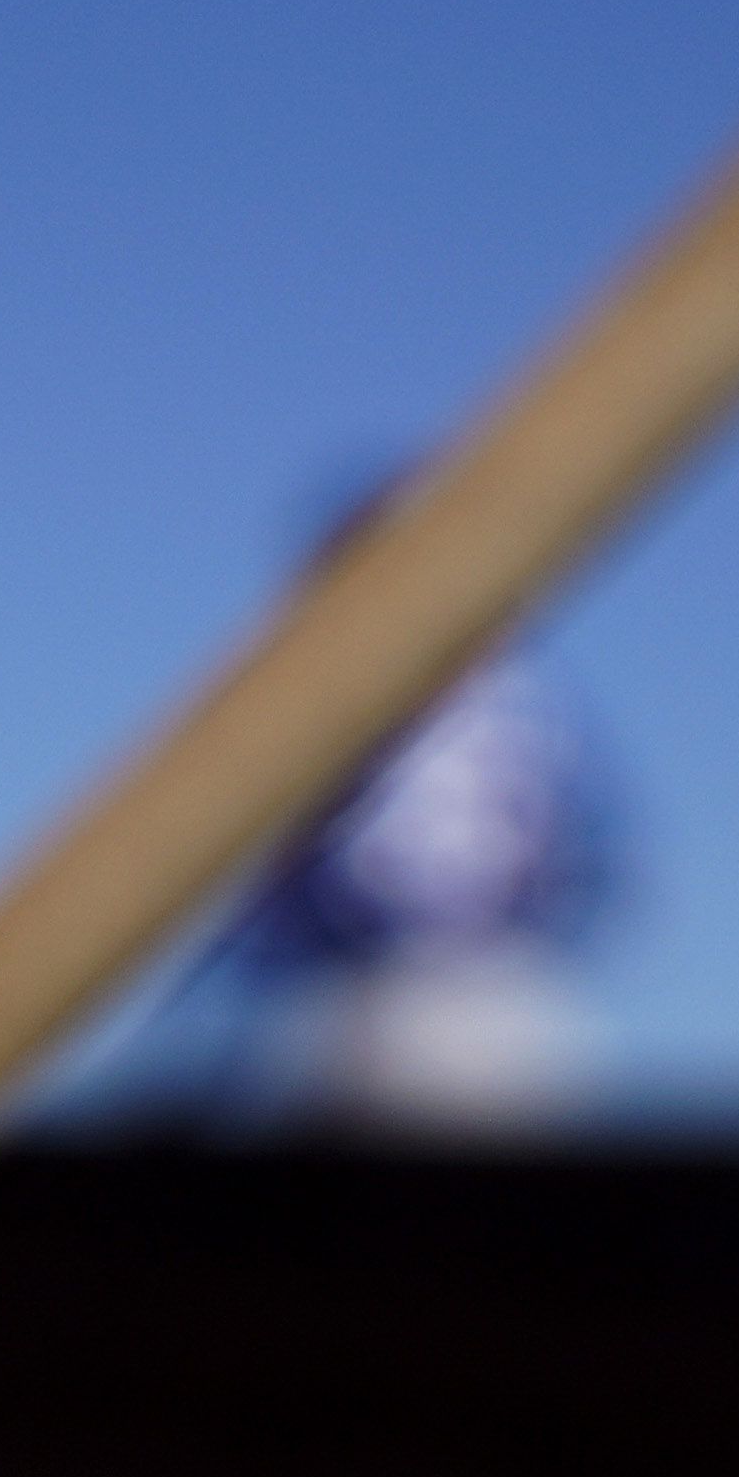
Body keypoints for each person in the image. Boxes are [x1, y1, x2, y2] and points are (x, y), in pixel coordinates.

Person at [204, 480, 622, 1136]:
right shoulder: (535, 689)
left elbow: (301, 871)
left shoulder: (347, 686)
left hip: (391, 998)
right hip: (494, 994)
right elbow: (594, 854)